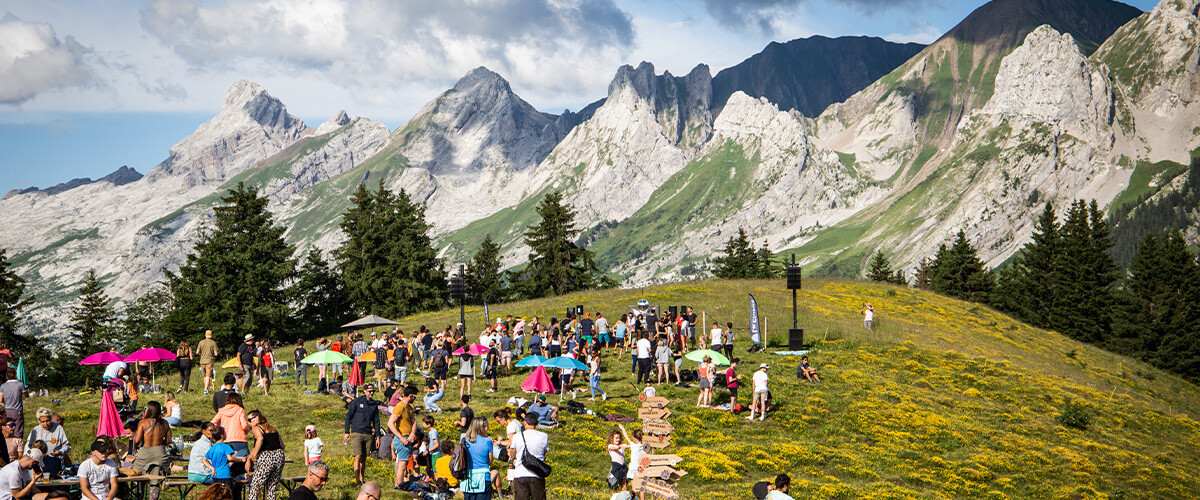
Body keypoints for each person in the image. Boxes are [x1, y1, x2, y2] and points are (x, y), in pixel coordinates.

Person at [343, 383, 380, 484]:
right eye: (369, 391)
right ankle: (357, 480)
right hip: (357, 432)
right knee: (358, 455)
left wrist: (377, 436)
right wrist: (346, 432)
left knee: (364, 458)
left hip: (368, 433)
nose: (372, 393)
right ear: (364, 391)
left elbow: (376, 421)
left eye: (373, 391)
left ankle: (362, 478)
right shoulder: (357, 401)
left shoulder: (374, 404)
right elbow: (348, 416)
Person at [133, 401, 171, 500]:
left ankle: (138, 496)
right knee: (156, 476)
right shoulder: (165, 423)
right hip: (159, 453)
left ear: (149, 410)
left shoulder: (143, 422)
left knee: (136, 474)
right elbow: (168, 440)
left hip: (146, 452)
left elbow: (137, 440)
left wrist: (135, 446)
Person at [246, 410, 285, 500]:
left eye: (250, 420)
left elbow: (260, 439)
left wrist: (254, 455)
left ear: (257, 418)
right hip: (279, 456)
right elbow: (282, 445)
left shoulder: (256, 428)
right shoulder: (272, 427)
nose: (249, 423)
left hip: (267, 457)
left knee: (255, 486)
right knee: (272, 487)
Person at [509, 412, 549, 500]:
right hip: (537, 473)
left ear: (524, 423)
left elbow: (513, 454)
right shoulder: (544, 436)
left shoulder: (517, 436)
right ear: (537, 423)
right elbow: (544, 452)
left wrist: (513, 456)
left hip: (521, 473)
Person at [2, 449, 68, 500]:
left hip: (19, 497)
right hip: (8, 498)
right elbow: (16, 496)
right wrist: (33, 482)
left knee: (52, 497)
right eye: (37, 464)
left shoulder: (24, 469)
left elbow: (30, 486)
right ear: (33, 462)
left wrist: (44, 495)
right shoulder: (14, 472)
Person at [387, 385, 418, 489]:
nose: (415, 399)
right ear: (410, 396)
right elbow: (390, 423)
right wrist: (401, 437)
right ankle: (400, 487)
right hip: (402, 439)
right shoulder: (400, 407)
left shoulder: (409, 408)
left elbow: (414, 421)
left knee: (403, 464)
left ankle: (397, 486)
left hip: (407, 437)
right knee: (402, 465)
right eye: (415, 397)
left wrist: (412, 433)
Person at [24, 409, 69, 478]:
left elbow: (67, 446)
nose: (46, 424)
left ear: (51, 419)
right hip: (40, 462)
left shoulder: (59, 428)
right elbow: (30, 446)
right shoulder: (35, 430)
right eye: (43, 422)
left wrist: (59, 452)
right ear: (39, 421)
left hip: (55, 461)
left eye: (47, 421)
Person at [461, 417, 497, 500]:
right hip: (483, 477)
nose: (487, 428)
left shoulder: (464, 440)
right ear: (482, 427)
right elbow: (490, 461)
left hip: (468, 477)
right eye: (486, 426)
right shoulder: (487, 441)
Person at [202, 427, 242, 497]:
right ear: (222, 435)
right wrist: (240, 460)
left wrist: (212, 468)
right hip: (225, 475)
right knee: (226, 495)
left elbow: (204, 460)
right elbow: (230, 458)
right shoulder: (225, 446)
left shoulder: (212, 447)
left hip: (215, 476)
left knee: (217, 495)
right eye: (225, 433)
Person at [212, 392, 250, 459]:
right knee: (243, 461)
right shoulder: (240, 410)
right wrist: (247, 430)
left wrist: (218, 431)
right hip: (239, 439)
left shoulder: (222, 410)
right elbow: (244, 425)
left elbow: (213, 423)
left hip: (226, 439)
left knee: (227, 461)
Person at [0, 370, 25, 437]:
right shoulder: (20, 384)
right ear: (15, 375)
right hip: (17, 410)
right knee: (18, 430)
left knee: (7, 429)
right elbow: (26, 394)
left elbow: (0, 400)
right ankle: (18, 444)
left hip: (7, 410)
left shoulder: (3, 386)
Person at [197, 330, 219, 395]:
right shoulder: (213, 343)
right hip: (209, 361)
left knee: (204, 376)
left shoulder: (201, 342)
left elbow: (197, 352)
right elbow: (216, 353)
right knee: (208, 376)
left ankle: (207, 389)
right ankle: (205, 389)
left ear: (205, 335)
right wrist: (213, 356)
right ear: (211, 335)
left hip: (202, 361)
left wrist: (201, 355)